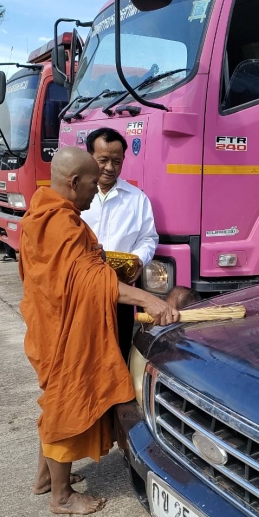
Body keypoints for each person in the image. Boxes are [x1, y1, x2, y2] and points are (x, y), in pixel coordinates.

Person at [20, 146, 179, 515]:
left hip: (51, 321)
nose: (98, 189)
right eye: (93, 183)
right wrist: (150, 300)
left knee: (58, 399)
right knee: (65, 404)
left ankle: (45, 478)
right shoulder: (59, 224)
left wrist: (99, 258)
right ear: (75, 182)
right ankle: (62, 497)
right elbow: (90, 281)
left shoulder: (41, 210)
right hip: (65, 331)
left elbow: (67, 271)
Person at [82, 127, 158, 362]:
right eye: (103, 160)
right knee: (83, 351)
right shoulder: (77, 195)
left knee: (118, 352)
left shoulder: (136, 198)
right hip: (83, 289)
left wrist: (138, 259)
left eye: (116, 161)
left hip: (120, 290)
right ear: (89, 157)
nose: (109, 167)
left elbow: (148, 237)